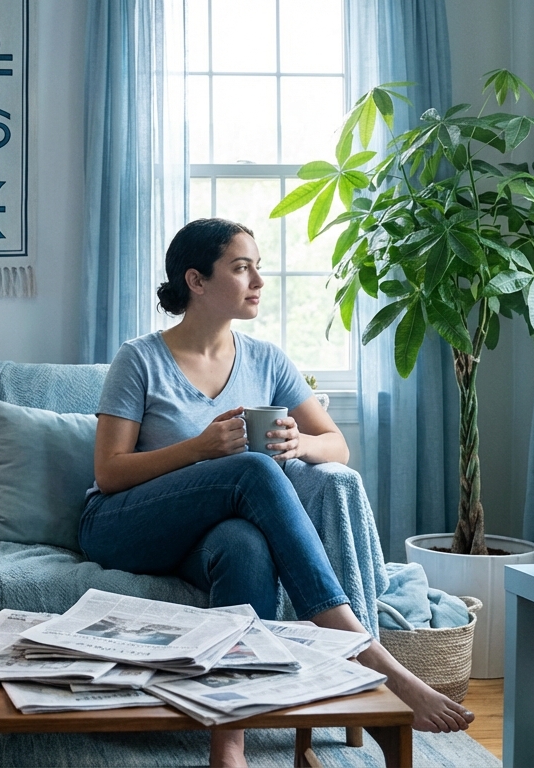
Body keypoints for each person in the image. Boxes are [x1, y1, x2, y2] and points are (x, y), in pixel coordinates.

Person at [80, 218, 473, 767]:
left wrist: (299, 444)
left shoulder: (267, 360)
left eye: (257, 266)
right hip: (122, 525)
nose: (258, 279)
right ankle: (370, 655)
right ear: (196, 280)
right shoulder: (139, 359)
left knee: (246, 546)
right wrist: (199, 447)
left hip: (211, 536)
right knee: (251, 471)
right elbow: (110, 473)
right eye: (242, 268)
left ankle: (229, 744)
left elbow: (337, 446)